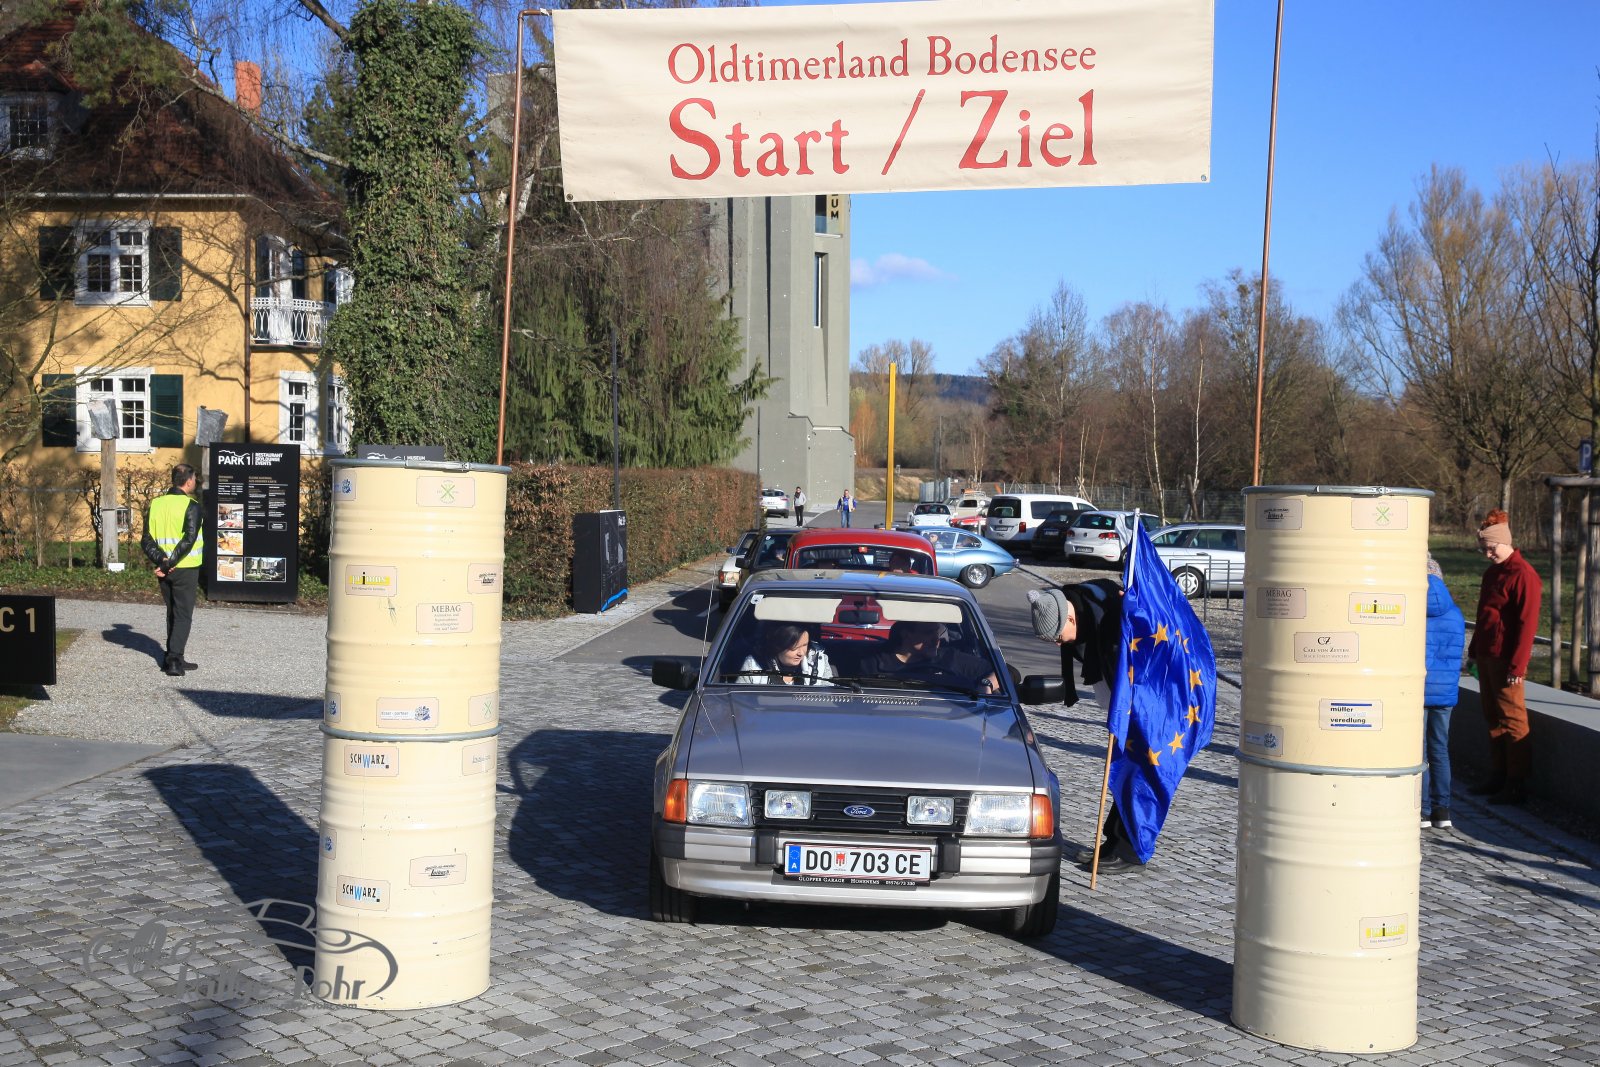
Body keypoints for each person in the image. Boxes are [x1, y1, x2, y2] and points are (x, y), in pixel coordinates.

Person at [1029, 579, 1147, 874]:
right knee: (1123, 771)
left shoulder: (1110, 616)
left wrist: (1124, 714)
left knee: (1136, 773)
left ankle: (1130, 851)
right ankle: (1113, 842)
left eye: (1059, 637)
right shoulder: (1079, 604)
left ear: (1070, 618)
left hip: (1146, 707)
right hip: (1124, 703)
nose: (1060, 645)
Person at [1466, 509, 1542, 804]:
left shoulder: (1524, 575)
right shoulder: (1492, 573)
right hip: (1487, 656)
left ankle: (1516, 782)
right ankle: (1498, 774)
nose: (1488, 554)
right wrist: (1474, 651)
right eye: (1484, 549)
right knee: (1492, 716)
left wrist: (1517, 666)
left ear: (1505, 542)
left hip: (1506, 661)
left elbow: (1527, 625)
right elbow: (1483, 616)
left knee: (1512, 719)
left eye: (1491, 548)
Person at [140, 463, 203, 677]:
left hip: (163, 568)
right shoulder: (191, 505)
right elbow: (189, 539)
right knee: (183, 614)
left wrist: (162, 561)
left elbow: (146, 539)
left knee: (172, 612)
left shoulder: (156, 504)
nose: (195, 482)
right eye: (194, 478)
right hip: (185, 567)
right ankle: (174, 660)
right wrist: (171, 562)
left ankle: (174, 656)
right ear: (189, 481)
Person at [1423, 555, 1466, 830]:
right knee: (1439, 749)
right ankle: (1442, 811)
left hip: (1418, 691)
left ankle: (1421, 810)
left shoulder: (1413, 611)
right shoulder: (1456, 614)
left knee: (1417, 752)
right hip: (1446, 692)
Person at [860, 620, 1000, 694]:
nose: (936, 639)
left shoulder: (950, 658)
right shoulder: (873, 662)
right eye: (928, 633)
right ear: (906, 634)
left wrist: (986, 684)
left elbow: (1002, 672)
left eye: (936, 632)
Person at [738, 622, 834, 685]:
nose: (801, 653)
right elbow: (742, 701)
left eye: (805, 645)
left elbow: (828, 697)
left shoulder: (819, 662)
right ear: (778, 646)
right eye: (794, 648)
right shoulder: (753, 665)